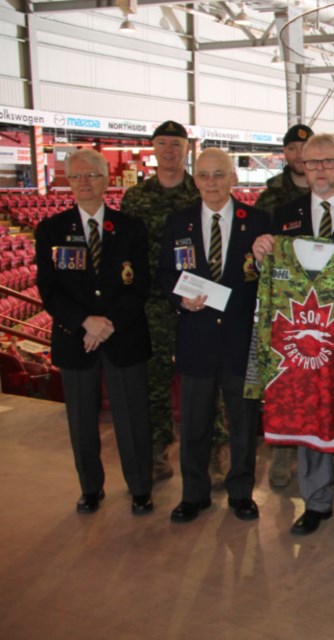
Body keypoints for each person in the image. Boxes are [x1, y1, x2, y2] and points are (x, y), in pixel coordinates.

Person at [250, 133, 334, 537]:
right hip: (302, 341)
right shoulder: (282, 215)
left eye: (329, 162)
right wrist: (258, 255)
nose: (320, 170)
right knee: (309, 414)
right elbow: (268, 278)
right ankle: (316, 501)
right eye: (312, 163)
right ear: (300, 167)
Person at [35, 148, 153, 514]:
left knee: (132, 419)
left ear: (106, 180)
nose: (84, 182)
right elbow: (49, 289)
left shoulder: (131, 228)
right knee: (81, 422)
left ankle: (140, 489)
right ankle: (90, 488)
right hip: (76, 339)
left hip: (124, 336)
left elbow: (140, 287)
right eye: (76, 176)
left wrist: (108, 323)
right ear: (67, 182)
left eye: (91, 175)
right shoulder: (50, 229)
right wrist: (85, 322)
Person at [158, 147, 271, 523]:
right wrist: (180, 300)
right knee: (194, 425)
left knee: (243, 425)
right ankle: (194, 494)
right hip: (196, 339)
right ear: (195, 181)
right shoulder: (178, 222)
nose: (211, 182)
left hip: (241, 341)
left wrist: (264, 261)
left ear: (233, 179)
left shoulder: (257, 222)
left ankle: (241, 493)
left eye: (218, 174)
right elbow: (164, 274)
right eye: (204, 175)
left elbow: (270, 279)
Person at [121, 120, 204, 483]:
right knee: (153, 380)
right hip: (151, 303)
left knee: (203, 378)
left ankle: (212, 445)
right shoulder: (135, 197)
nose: (170, 150)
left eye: (176, 144)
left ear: (187, 150)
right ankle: (157, 448)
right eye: (163, 143)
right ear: (153, 149)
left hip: (195, 300)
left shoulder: (200, 192)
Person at [252, 123, 314, 489]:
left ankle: (318, 451)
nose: (299, 156)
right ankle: (282, 454)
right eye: (292, 149)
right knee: (284, 378)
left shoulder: (331, 186)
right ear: (286, 154)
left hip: (322, 297)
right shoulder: (272, 195)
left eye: (303, 149)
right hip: (283, 297)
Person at [254, 123, 313, 218]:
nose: (299, 154)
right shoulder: (269, 198)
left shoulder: (329, 191)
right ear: (284, 152)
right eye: (292, 148)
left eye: (305, 147)